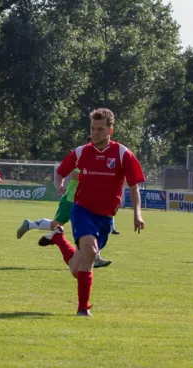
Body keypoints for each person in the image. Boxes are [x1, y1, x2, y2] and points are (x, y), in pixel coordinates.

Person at [37, 108, 146, 316]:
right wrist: (59, 184)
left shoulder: (123, 154)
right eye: (92, 128)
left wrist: (137, 213)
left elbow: (134, 187)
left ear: (110, 130)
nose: (95, 133)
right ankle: (83, 308)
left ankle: (58, 238)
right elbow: (60, 171)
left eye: (100, 129)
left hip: (105, 218)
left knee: (77, 269)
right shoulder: (81, 152)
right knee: (91, 251)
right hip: (82, 211)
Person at [16, 136, 113, 268]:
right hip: (71, 199)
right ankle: (29, 225)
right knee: (56, 224)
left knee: (91, 228)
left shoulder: (99, 160)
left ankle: (96, 257)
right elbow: (73, 174)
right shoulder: (81, 157)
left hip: (87, 202)